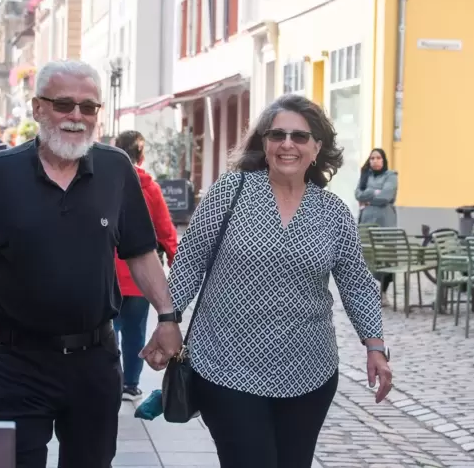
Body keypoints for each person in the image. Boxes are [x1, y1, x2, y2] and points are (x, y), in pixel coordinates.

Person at [0, 59, 182, 468]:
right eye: (64, 104)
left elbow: (140, 253)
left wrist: (167, 318)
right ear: (37, 108)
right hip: (18, 361)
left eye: (88, 107)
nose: (76, 117)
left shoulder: (116, 169)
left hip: (95, 361)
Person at [168, 94, 392, 468]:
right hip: (227, 365)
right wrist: (167, 320)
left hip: (309, 370)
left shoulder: (333, 212)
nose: (288, 144)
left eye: (300, 137)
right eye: (277, 135)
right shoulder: (231, 191)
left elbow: (356, 282)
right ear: (264, 143)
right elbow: (189, 261)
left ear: (317, 147)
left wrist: (375, 346)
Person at [113, 130, 178, 401]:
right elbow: (165, 231)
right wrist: (177, 263)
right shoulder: (150, 188)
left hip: (108, 276)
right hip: (142, 276)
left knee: (107, 332)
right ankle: (130, 384)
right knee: (134, 331)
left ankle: (110, 379)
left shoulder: (105, 183)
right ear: (141, 155)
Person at [356, 148, 398, 306]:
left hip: (385, 221)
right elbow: (357, 194)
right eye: (372, 158)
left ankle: (383, 293)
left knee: (386, 257)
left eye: (378, 158)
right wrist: (374, 192)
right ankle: (368, 293)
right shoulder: (366, 175)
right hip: (367, 221)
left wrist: (368, 196)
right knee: (366, 256)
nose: (375, 161)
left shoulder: (391, 176)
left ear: (383, 160)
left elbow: (386, 196)